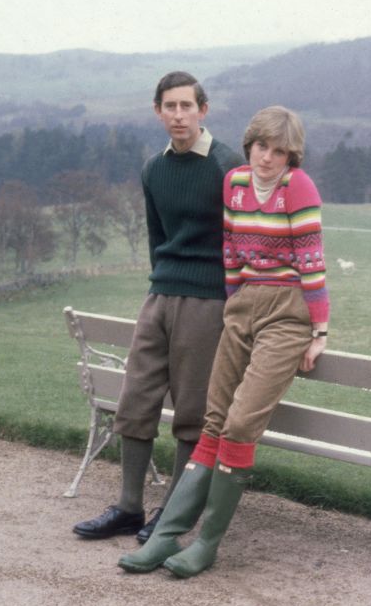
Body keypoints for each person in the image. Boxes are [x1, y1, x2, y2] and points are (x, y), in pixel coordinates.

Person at [119, 105, 329, 578]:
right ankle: (167, 535)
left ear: (291, 156)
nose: (268, 159)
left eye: (280, 151)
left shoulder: (298, 187)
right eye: (261, 147)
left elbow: (311, 261)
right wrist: (235, 303)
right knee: (212, 422)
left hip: (287, 312)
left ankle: (207, 542)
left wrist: (318, 331)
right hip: (242, 305)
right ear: (250, 144)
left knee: (238, 424)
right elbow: (231, 249)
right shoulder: (234, 182)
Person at [73, 71, 240, 544]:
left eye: (187, 106)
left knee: (191, 409)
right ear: (158, 111)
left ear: (203, 110)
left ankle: (172, 512)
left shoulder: (227, 166)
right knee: (137, 397)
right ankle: (129, 507)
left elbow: (241, 240)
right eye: (170, 106)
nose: (179, 115)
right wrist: (162, 286)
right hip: (160, 295)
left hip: (209, 302)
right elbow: (157, 238)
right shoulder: (153, 170)